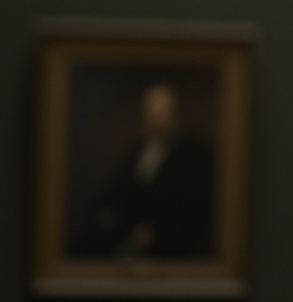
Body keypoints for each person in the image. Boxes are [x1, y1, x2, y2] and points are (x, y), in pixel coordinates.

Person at [77, 83, 216, 260]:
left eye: (160, 114)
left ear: (175, 114)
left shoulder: (195, 153)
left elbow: (196, 210)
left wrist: (156, 233)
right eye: (150, 114)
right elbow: (116, 191)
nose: (154, 120)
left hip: (174, 248)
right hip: (129, 239)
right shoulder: (138, 150)